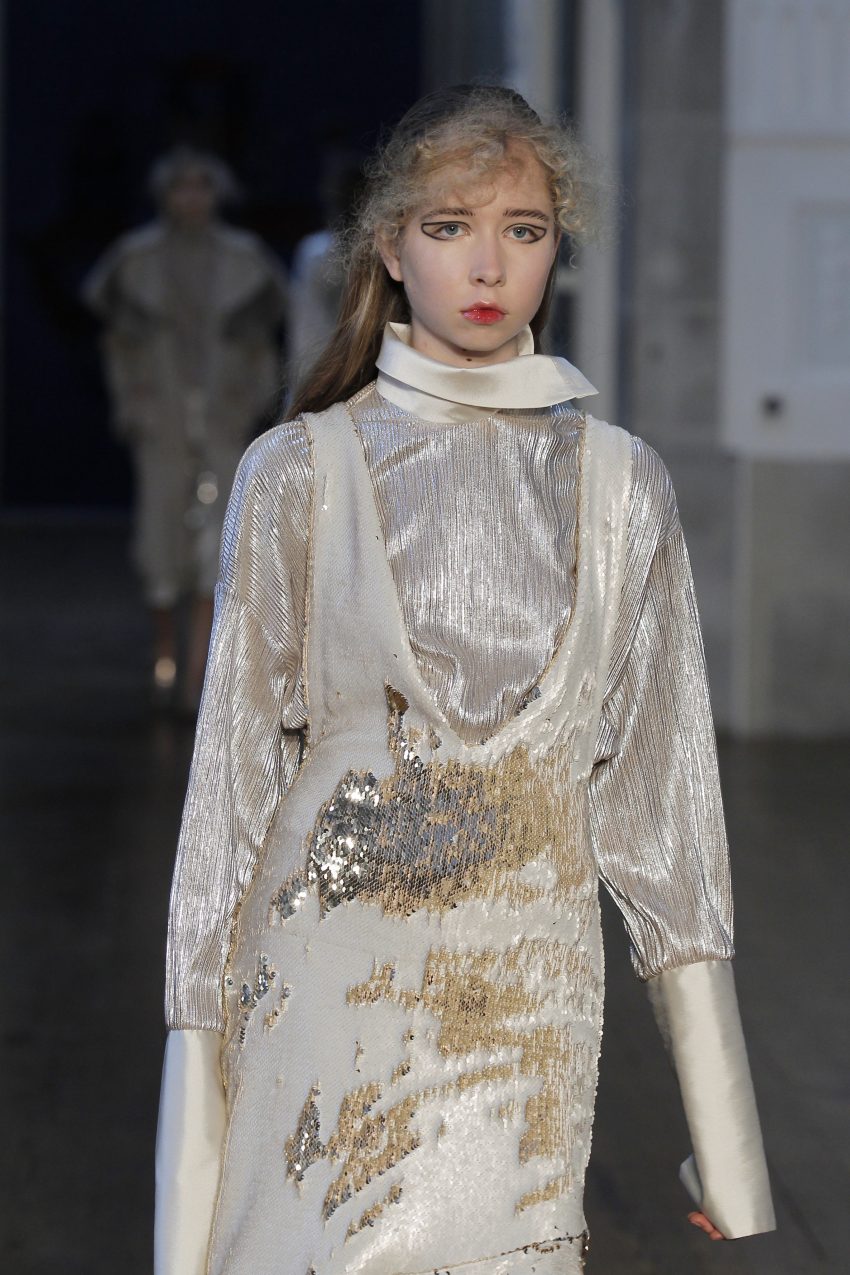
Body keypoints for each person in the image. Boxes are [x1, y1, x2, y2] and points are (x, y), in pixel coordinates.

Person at [156, 86, 775, 1274]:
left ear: (556, 246)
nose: (488, 265)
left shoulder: (622, 486)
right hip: (319, 989)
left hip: (527, 1004)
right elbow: (226, 810)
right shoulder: (295, 473)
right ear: (391, 248)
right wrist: (186, 1196)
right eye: (449, 226)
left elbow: (665, 827)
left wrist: (729, 1148)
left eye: (523, 229)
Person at [83, 147, 288, 709]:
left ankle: (198, 670)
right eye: (181, 186)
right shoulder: (136, 259)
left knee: (220, 537)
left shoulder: (246, 259)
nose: (192, 197)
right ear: (164, 194)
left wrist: (255, 403)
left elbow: (261, 345)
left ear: (218, 193)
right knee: (159, 532)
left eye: (202, 185)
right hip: (163, 414)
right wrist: (132, 401)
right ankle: (165, 654)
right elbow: (118, 345)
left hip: (224, 415)